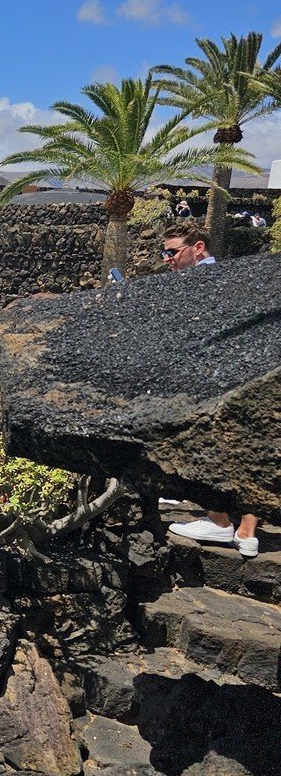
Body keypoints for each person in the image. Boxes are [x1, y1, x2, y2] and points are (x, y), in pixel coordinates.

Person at [160, 228, 259, 557]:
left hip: (217, 375)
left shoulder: (208, 279)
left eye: (172, 252)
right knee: (247, 446)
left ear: (198, 247)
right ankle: (247, 531)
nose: (167, 260)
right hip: (242, 372)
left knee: (209, 442)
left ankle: (218, 522)